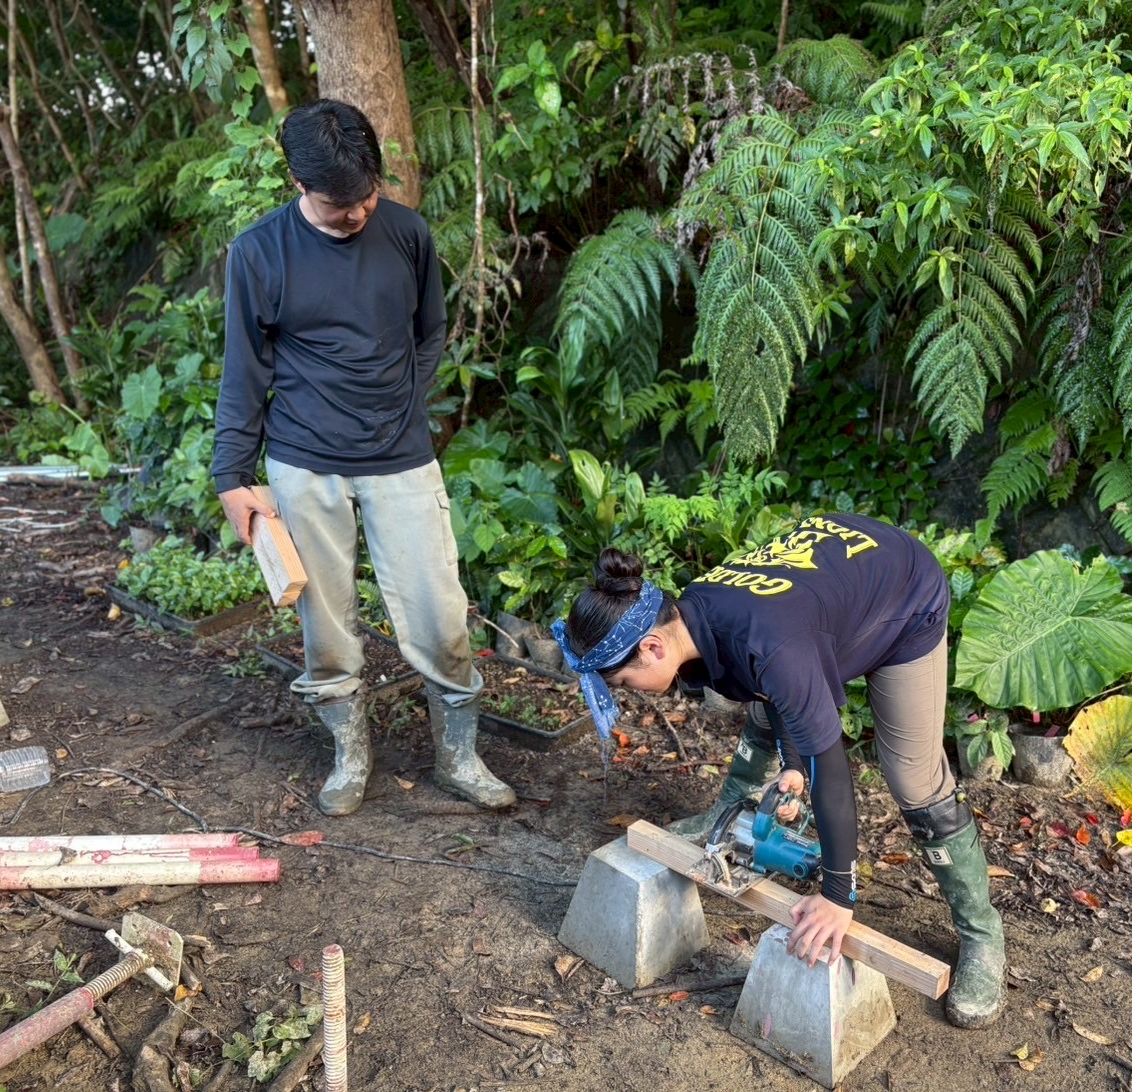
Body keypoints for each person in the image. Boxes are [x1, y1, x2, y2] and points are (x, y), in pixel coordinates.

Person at [552, 513, 1005, 1028]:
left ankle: (982, 934)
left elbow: (832, 767)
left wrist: (838, 896)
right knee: (770, 687)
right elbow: (775, 688)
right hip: (830, 593)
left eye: (625, 682)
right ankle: (728, 815)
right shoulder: (696, 612)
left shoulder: (769, 642)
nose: (626, 693)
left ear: (653, 647)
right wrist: (793, 767)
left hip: (902, 596)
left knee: (912, 777)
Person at [212, 99, 514, 815]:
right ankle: (350, 754)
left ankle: (459, 755)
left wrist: (400, 406)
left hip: (401, 457)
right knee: (327, 621)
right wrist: (232, 475)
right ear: (296, 180)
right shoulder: (259, 253)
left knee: (441, 612)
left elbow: (430, 330)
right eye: (337, 204)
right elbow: (243, 371)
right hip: (303, 462)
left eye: (366, 197)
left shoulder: (406, 233)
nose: (355, 214)